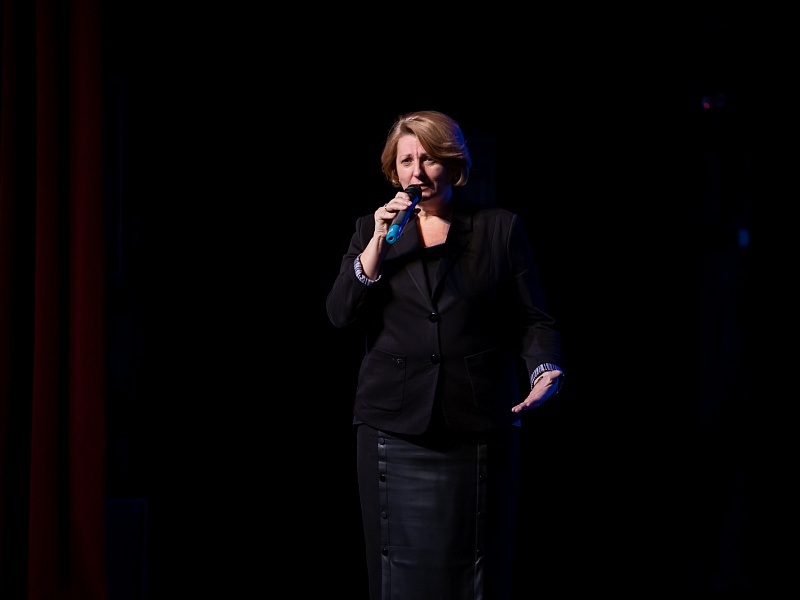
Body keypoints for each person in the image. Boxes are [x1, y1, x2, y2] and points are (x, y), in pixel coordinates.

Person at [325, 109, 564, 600]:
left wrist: (544, 368)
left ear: (453, 164)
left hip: (479, 423)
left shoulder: (498, 228)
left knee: (478, 571)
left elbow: (534, 318)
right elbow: (339, 314)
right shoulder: (372, 231)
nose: (417, 171)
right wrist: (376, 243)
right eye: (406, 161)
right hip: (391, 427)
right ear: (394, 170)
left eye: (430, 158)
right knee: (395, 575)